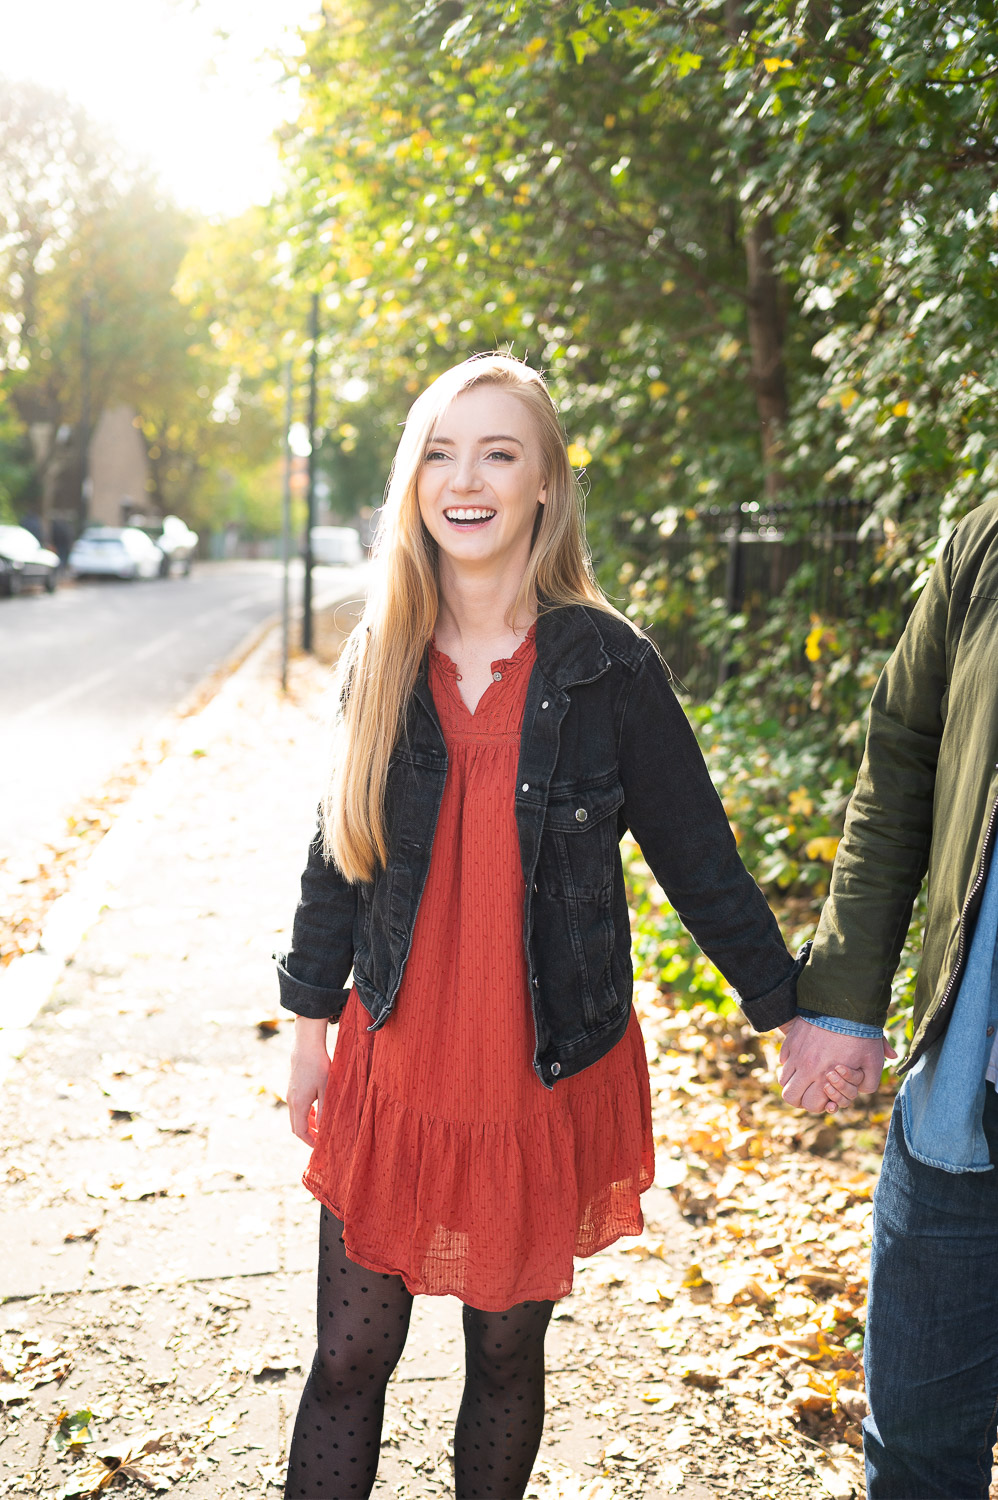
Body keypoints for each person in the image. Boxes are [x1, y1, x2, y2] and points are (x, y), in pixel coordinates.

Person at [275, 352, 808, 1500]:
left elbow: (698, 858)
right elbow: (335, 859)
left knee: (506, 1357)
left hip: (538, 1070)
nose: (464, 479)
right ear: (414, 482)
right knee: (349, 1357)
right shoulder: (381, 657)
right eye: (440, 451)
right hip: (398, 1059)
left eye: (497, 453)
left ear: (544, 487)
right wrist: (310, 1032)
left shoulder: (609, 666)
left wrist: (789, 1013)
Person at [779, 498, 998, 1499]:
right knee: (913, 1442)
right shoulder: (987, 532)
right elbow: (905, 749)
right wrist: (843, 1001)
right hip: (964, 1093)